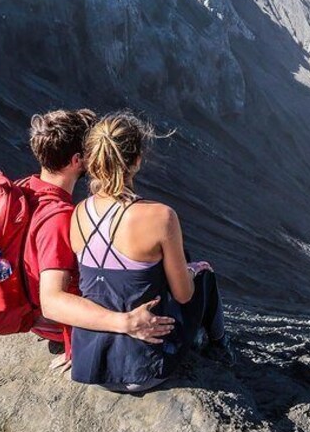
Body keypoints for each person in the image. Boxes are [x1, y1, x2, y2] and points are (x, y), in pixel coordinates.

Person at [68, 111, 236, 393]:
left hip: (94, 367)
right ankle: (221, 347)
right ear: (136, 161)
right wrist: (193, 270)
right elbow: (184, 295)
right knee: (202, 274)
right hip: (146, 368)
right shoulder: (161, 216)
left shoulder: (77, 214)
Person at [20, 109, 176, 369]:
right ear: (78, 160)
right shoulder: (60, 218)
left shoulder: (27, 190)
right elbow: (53, 303)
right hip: (59, 324)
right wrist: (125, 323)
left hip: (34, 312)